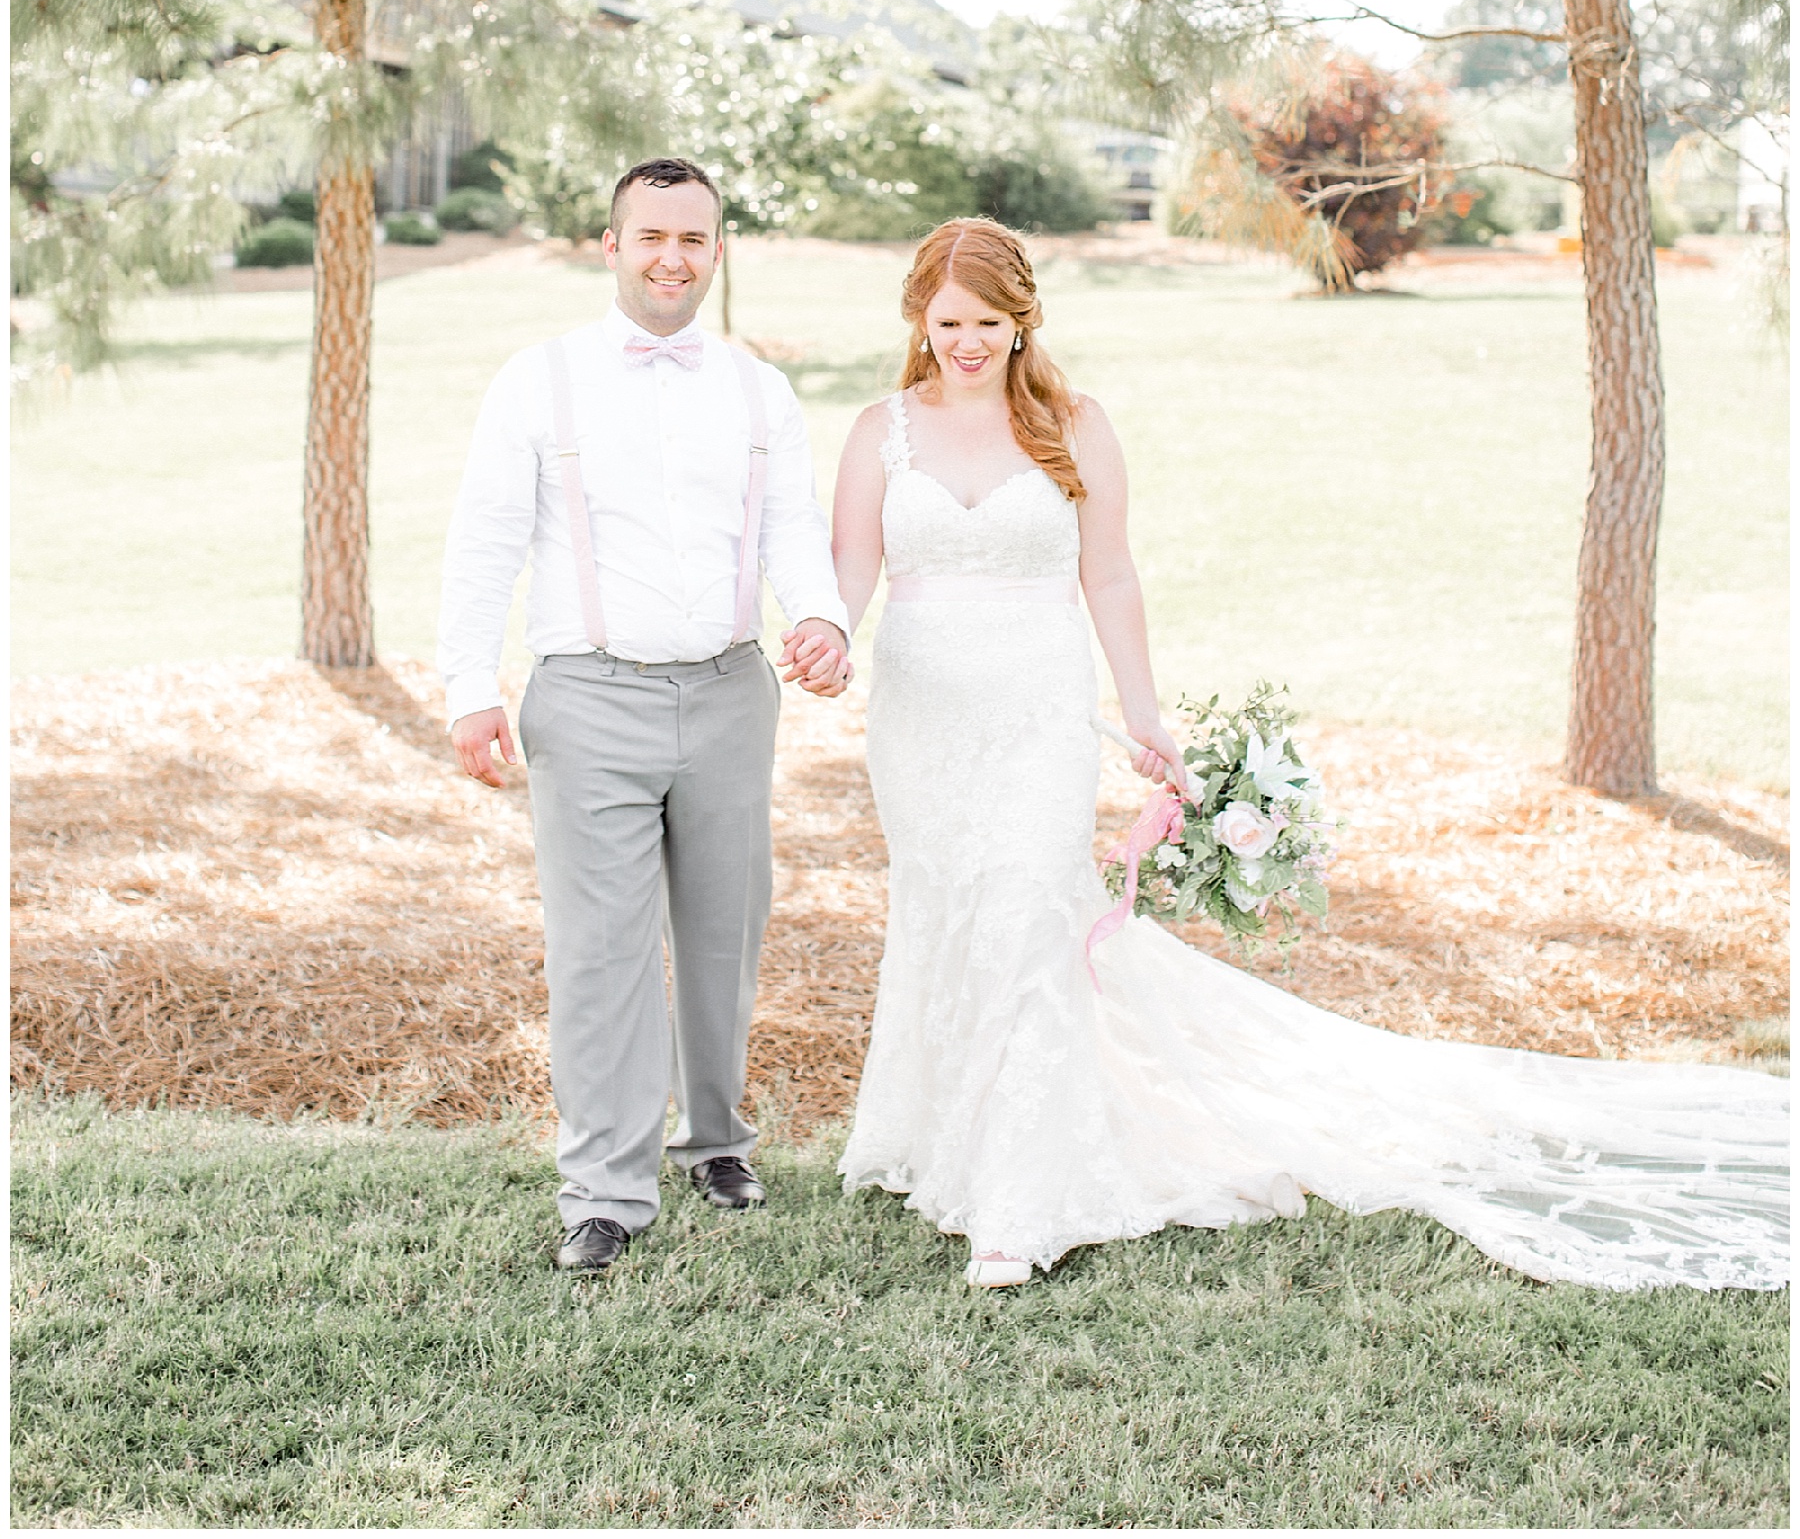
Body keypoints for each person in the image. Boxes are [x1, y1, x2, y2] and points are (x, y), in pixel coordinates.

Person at [830, 217, 1789, 1292]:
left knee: (1025, 917)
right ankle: (938, 1132)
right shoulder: (882, 432)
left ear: (1023, 320)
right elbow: (850, 565)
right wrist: (824, 631)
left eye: (988, 323)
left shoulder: (1073, 423)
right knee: (946, 907)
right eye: (948, 320)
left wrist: (1146, 715)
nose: (966, 341)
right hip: (920, 720)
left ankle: (1018, 1195)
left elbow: (1110, 576)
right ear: (920, 316)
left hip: (1037, 714)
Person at [439, 155, 851, 1273]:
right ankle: (605, 1193)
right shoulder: (540, 379)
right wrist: (470, 685)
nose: (673, 258)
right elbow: (483, 536)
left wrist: (821, 616)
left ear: (716, 250)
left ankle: (714, 1138)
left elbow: (793, 530)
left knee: (725, 933)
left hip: (729, 691)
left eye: (694, 240)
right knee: (601, 954)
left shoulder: (760, 387)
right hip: (586, 695)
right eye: (651, 236)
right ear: (610, 244)